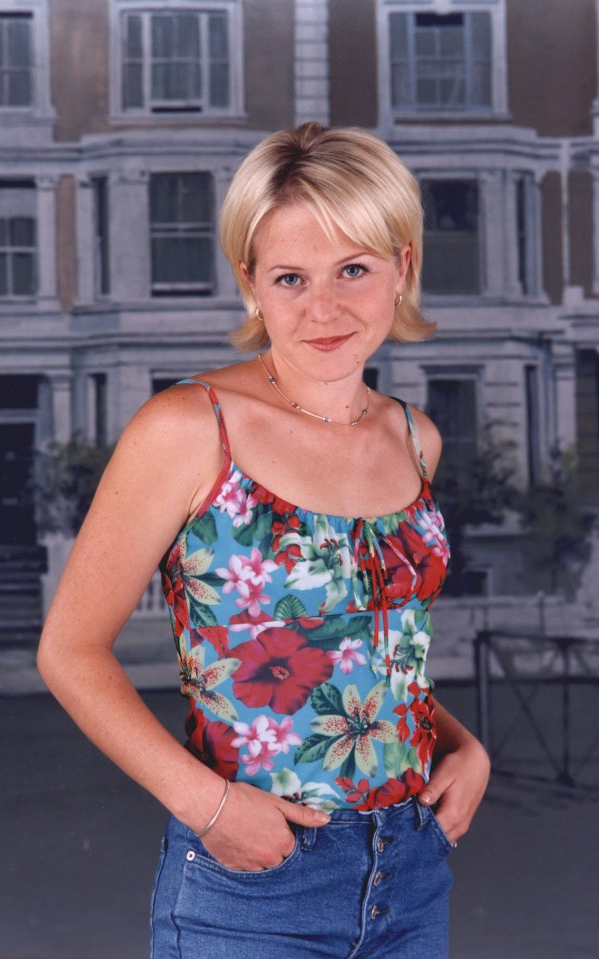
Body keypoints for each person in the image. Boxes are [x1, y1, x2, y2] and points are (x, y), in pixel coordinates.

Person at [38, 122, 490, 959]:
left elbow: (362, 650)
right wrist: (210, 808)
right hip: (255, 880)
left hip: (413, 869)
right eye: (291, 277)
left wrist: (463, 746)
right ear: (252, 284)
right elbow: (69, 650)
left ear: (404, 269)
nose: (324, 308)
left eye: (354, 268)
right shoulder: (189, 427)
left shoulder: (413, 437)